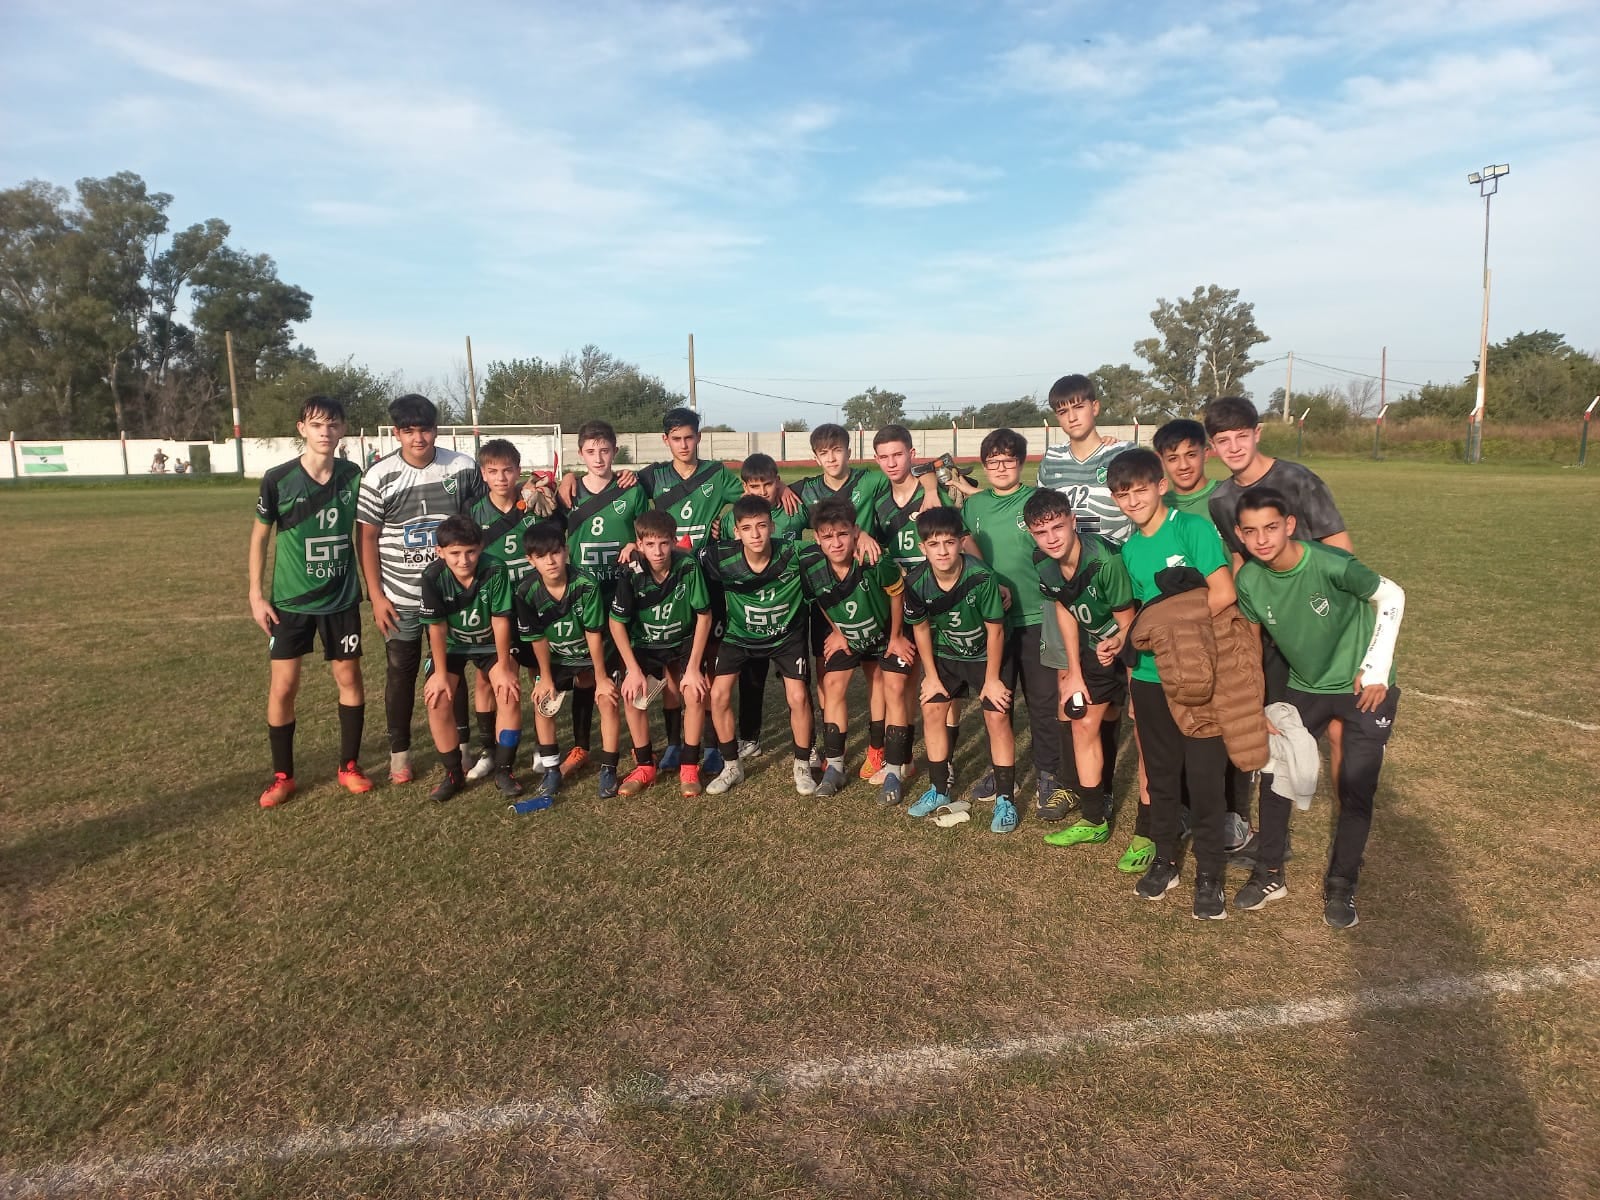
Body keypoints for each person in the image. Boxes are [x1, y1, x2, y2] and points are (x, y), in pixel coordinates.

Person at [1232, 487, 1404, 928]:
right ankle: (1270, 873)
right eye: (1250, 532)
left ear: (1289, 525)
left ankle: (1342, 883)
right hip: (1304, 687)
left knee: (1355, 784)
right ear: (1239, 535)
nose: (1262, 539)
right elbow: (1251, 646)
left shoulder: (1331, 563)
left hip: (1364, 688)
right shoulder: (1249, 579)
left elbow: (1393, 597)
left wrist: (1377, 667)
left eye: (1271, 527)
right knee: (1275, 775)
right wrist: (1256, 706)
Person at [1109, 447, 1251, 920]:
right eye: (1122, 494)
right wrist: (1125, 653)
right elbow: (1139, 620)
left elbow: (1224, 592)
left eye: (1140, 489)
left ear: (1160, 485)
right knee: (1162, 778)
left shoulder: (1191, 528)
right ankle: (1166, 861)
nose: (1132, 500)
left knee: (1207, 780)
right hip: (1150, 680)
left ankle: (1209, 876)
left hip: (1199, 676)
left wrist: (1171, 633)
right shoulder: (1129, 549)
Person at [248, 395, 371, 807]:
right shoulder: (278, 478)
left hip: (340, 600)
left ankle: (349, 766)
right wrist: (255, 595)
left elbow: (366, 530)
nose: (325, 432)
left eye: (333, 424)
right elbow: (260, 537)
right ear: (301, 428)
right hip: (290, 604)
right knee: (284, 686)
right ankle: (283, 776)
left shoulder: (354, 475)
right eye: (316, 424)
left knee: (349, 680)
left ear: (343, 430)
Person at [357, 394, 484, 784]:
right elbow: (367, 539)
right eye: (408, 431)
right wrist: (377, 597)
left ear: (436, 430)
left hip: (452, 596)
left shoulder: (461, 467)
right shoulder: (379, 476)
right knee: (401, 672)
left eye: (425, 429)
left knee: (452, 670)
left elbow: (482, 518)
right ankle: (400, 754)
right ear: (397, 433)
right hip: (401, 597)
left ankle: (462, 748)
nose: (418, 438)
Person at [1023, 488, 1136, 847]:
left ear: (1073, 522)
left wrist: (1118, 644)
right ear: (1031, 533)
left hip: (1132, 645)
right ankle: (1094, 816)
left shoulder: (1104, 560)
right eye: (1041, 532)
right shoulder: (1042, 561)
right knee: (1084, 719)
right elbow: (1064, 607)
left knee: (1132, 724)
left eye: (1058, 527)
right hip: (1094, 647)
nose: (1051, 538)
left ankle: (1153, 817)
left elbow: (1129, 619)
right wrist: (1073, 670)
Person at [960, 429, 1063, 820]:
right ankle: (1001, 769)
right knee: (997, 701)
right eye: (993, 462)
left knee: (1042, 701)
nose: (1001, 468)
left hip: (1038, 616)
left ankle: (1048, 774)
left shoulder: (1034, 502)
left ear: (1022, 462)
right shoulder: (974, 506)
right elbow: (964, 549)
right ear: (984, 466)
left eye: (1008, 460)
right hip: (995, 621)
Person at [902, 507, 1015, 832]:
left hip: (986, 655)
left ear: (962, 543)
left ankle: (1005, 797)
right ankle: (939, 788)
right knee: (933, 709)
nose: (942, 551)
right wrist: (933, 677)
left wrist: (992, 680)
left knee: (996, 715)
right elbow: (921, 630)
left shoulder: (981, 577)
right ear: (922, 547)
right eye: (934, 544)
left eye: (949, 543)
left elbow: (996, 630)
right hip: (947, 655)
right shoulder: (916, 582)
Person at [548, 420, 648, 783]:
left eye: (605, 450)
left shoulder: (631, 490)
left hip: (621, 595)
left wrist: (635, 546)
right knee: (585, 673)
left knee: (626, 671)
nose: (599, 457)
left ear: (614, 450)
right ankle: (580, 746)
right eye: (591, 452)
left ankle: (639, 753)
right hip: (583, 597)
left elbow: (645, 535)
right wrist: (562, 479)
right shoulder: (569, 494)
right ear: (580, 454)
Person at [799, 498, 916, 801]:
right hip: (850, 635)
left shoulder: (874, 559)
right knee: (832, 684)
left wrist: (896, 637)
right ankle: (835, 766)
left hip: (884, 634)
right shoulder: (811, 566)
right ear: (817, 538)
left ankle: (893, 770)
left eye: (842, 534)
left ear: (855, 532)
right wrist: (838, 631)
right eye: (827, 536)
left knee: (894, 686)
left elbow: (897, 594)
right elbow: (821, 600)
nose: (836, 543)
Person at [700, 495, 814, 796]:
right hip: (739, 637)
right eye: (747, 528)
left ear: (772, 526)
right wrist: (635, 547)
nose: (755, 534)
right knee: (719, 694)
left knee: (798, 696)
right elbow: (680, 557)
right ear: (736, 532)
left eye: (762, 526)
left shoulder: (794, 553)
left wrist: (863, 535)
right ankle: (732, 766)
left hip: (786, 637)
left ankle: (802, 765)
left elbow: (831, 546)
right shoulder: (719, 556)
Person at [608, 509, 714, 797]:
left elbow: (704, 616)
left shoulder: (688, 566)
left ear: (674, 541)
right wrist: (632, 670)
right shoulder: (631, 573)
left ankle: (689, 766)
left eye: (664, 543)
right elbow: (616, 624)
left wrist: (693, 668)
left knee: (693, 692)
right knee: (633, 697)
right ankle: (645, 766)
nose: (658, 551)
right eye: (650, 544)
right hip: (646, 645)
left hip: (682, 642)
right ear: (639, 545)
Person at [513, 522, 622, 803]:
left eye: (555, 552)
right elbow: (537, 639)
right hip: (558, 657)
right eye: (541, 556)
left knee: (607, 699)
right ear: (530, 559)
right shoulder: (525, 592)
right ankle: (551, 770)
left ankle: (609, 767)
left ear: (566, 551)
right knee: (543, 702)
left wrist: (600, 677)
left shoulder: (585, 584)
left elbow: (594, 633)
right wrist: (545, 677)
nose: (550, 561)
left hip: (594, 653)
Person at [418, 515, 521, 804]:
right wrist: (439, 673)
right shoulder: (432, 576)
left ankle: (504, 769)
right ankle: (453, 773)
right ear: (440, 552)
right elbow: (436, 628)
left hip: (490, 644)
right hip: (452, 646)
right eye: (455, 553)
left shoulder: (495, 569)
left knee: (508, 692)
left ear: (481, 547)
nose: (464, 560)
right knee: (437, 698)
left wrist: (504, 665)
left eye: (471, 552)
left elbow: (501, 620)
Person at [464, 438, 544, 784]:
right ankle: (488, 750)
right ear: (483, 473)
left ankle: (544, 742)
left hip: (530, 605)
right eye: (493, 471)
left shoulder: (533, 505)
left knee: (537, 672)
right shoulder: (473, 512)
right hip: (491, 608)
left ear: (518, 470)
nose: (501, 478)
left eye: (507, 470)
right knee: (487, 678)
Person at [726, 452, 810, 763]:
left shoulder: (794, 509)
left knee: (798, 684)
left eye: (768, 485)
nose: (762, 492)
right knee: (751, 677)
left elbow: (826, 528)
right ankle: (749, 737)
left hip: (789, 605)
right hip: (750, 607)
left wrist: (789, 488)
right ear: (744, 487)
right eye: (754, 486)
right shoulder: (734, 518)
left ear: (777, 482)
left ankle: (807, 744)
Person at [1036, 374, 1135, 544]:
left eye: (1079, 407)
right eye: (1063, 411)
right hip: (1067, 566)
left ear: (1095, 407)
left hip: (1118, 562)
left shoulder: (1123, 454)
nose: (1072, 418)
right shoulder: (1051, 459)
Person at [1153, 418, 1219, 521]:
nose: (1183, 466)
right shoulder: (1156, 507)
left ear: (1205, 454)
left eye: (1191, 455)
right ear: (1162, 462)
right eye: (1173, 459)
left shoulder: (1229, 495)